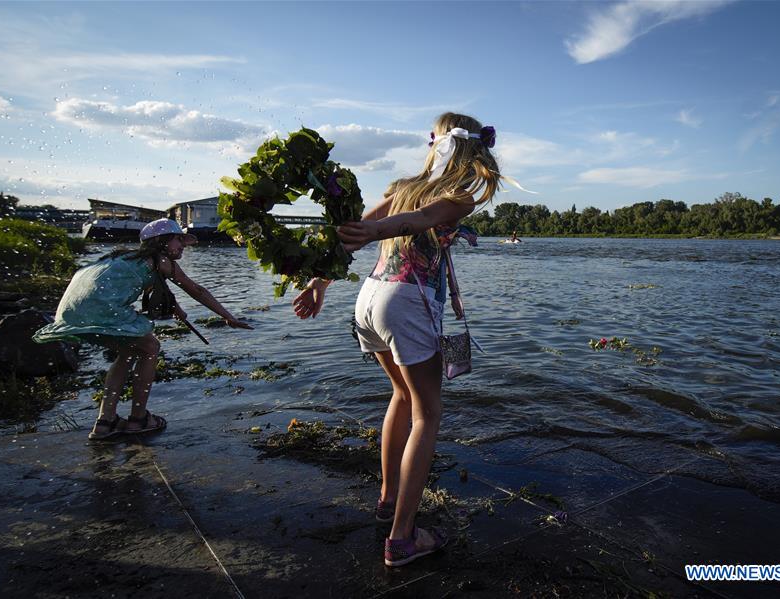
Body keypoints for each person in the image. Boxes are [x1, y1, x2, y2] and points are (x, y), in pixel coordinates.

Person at [292, 112, 500, 566]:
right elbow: (421, 220)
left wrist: (319, 282)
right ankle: (403, 538)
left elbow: (354, 235)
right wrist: (373, 232)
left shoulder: (404, 187)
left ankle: (388, 500)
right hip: (407, 302)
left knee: (401, 397)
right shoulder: (458, 196)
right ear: (473, 152)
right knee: (428, 413)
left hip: (370, 300)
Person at [34, 218, 251, 441]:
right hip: (102, 309)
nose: (183, 246)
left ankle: (105, 422)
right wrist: (228, 317)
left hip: (71, 311)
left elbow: (156, 289)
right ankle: (138, 419)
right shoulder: (161, 260)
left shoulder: (127, 258)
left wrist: (176, 309)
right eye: (178, 240)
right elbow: (197, 290)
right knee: (150, 347)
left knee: (128, 353)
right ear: (161, 241)